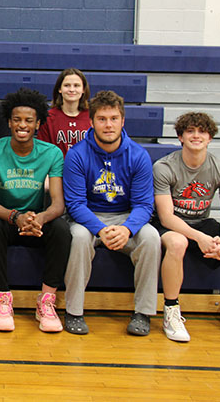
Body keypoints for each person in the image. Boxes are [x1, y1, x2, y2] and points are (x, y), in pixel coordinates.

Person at [153, 112, 220, 343]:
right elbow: (166, 217)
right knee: (177, 241)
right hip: (174, 225)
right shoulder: (164, 167)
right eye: (190, 131)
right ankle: (171, 310)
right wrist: (200, 238)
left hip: (203, 223)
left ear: (210, 137)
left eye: (201, 131)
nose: (196, 136)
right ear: (180, 137)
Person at [62, 90, 160, 336]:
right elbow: (75, 204)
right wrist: (100, 229)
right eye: (102, 119)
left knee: (151, 238)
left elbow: (144, 205)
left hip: (125, 216)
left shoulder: (138, 155)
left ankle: (142, 312)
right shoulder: (76, 154)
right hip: (88, 217)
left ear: (122, 120)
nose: (108, 125)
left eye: (114, 118)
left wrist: (127, 228)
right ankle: (74, 311)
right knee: (79, 238)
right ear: (92, 121)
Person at [0, 88, 71, 332]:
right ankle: (2, 299)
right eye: (17, 119)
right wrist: (15, 217)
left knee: (61, 228)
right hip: (7, 220)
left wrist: (40, 218)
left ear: (38, 123)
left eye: (29, 120)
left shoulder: (52, 153)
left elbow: (58, 203)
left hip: (36, 222)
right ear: (8, 122)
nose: (22, 125)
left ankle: (47, 301)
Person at [37, 68, 91, 157]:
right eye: (67, 85)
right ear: (59, 89)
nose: (71, 89)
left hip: (85, 170)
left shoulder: (92, 117)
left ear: (83, 90)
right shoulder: (48, 118)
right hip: (58, 169)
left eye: (76, 85)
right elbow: (44, 153)